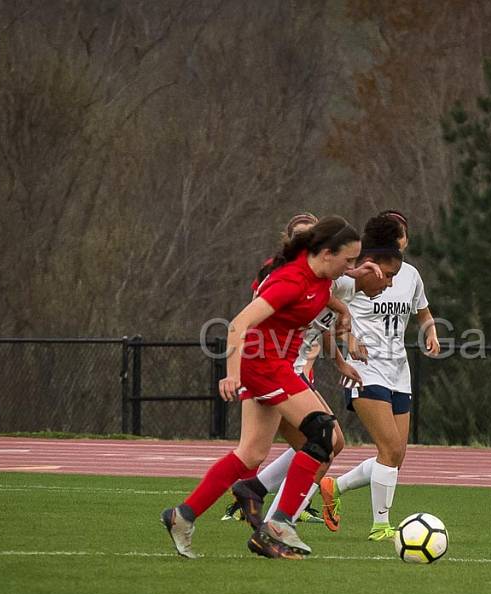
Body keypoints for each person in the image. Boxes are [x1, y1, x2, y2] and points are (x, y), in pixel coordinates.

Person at [161, 215, 363, 560]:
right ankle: (280, 522)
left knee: (251, 455)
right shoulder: (291, 280)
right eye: (349, 260)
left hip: (276, 365)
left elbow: (320, 299)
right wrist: (232, 373)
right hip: (263, 365)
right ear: (327, 253)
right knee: (325, 435)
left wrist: (342, 310)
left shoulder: (319, 277)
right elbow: (240, 323)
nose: (352, 267)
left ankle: (183, 515)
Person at [227, 227, 405, 533]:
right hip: (273, 369)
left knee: (326, 444)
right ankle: (274, 525)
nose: (389, 284)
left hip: (289, 370)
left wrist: (339, 360)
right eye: (387, 275)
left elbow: (321, 323)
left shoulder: (340, 285)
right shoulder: (329, 280)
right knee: (321, 445)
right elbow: (317, 297)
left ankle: (255, 493)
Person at [320, 210, 441, 541]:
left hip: (399, 371)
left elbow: (423, 311)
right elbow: (329, 313)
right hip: (366, 369)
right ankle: (380, 526)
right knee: (388, 447)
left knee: (396, 456)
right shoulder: (353, 276)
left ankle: (335, 486)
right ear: (392, 239)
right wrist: (349, 340)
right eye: (402, 231)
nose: (406, 237)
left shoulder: (410, 274)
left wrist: (430, 331)